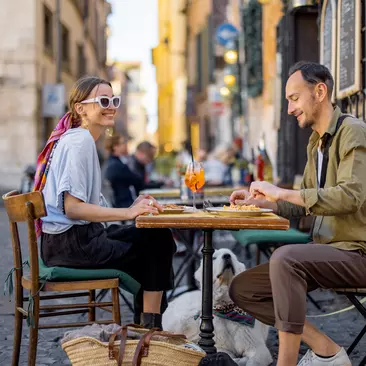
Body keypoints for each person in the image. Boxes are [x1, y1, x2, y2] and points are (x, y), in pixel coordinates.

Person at [229, 61, 366, 366]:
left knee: (286, 259)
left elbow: (350, 197)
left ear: (319, 91)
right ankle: (326, 350)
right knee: (244, 289)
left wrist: (282, 192)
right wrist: (263, 203)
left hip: (357, 254)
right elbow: (301, 202)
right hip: (324, 253)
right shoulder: (315, 144)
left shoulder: (353, 132)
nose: (290, 109)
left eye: (294, 98)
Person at [34, 76, 176, 329]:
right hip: (72, 244)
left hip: (70, 240)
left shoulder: (79, 139)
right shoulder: (80, 142)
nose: (111, 106)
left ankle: (148, 324)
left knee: (154, 235)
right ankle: (151, 328)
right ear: (80, 108)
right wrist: (129, 212)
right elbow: (73, 208)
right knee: (158, 242)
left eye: (114, 100)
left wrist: (134, 206)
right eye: (103, 100)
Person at [104, 134, 143, 208]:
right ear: (115, 147)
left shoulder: (114, 162)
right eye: (123, 143)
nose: (125, 145)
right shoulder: (116, 165)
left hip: (124, 204)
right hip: (126, 205)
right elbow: (138, 181)